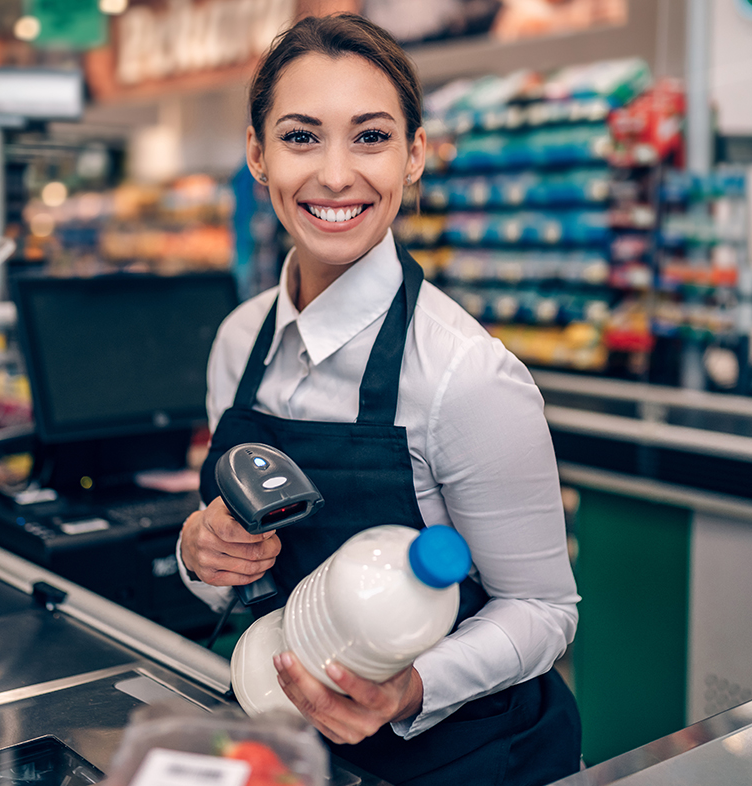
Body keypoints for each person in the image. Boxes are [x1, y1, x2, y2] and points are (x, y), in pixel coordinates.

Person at [178, 13, 581, 786]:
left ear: (415, 154)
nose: (335, 175)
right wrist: (200, 554)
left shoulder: (465, 377)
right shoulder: (238, 340)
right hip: (294, 746)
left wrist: (409, 690)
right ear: (257, 156)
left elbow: (544, 612)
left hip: (466, 760)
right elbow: (242, 569)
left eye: (370, 137)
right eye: (301, 137)